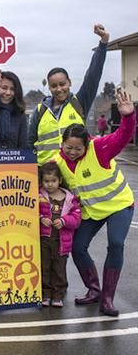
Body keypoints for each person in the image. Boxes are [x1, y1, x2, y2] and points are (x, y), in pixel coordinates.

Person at [54, 89, 135, 317]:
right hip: (92, 211)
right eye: (67, 147)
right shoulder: (58, 160)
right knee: (78, 248)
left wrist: (128, 116)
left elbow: (123, 135)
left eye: (77, 148)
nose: (71, 152)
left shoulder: (99, 148)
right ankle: (94, 289)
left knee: (116, 243)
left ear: (86, 145)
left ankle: (107, 299)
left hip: (118, 205)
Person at [29, 24, 110, 165]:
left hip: (75, 172)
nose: (59, 89)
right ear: (49, 87)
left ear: (69, 82)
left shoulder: (79, 102)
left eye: (62, 84)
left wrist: (103, 43)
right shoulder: (40, 111)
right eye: (54, 86)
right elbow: (29, 142)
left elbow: (93, 75)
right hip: (47, 177)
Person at [38, 162, 81, 307]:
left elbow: (76, 219)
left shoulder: (69, 198)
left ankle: (58, 294)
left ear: (60, 180)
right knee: (44, 267)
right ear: (41, 181)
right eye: (46, 181)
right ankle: (45, 293)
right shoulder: (38, 196)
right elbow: (29, 211)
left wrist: (63, 221)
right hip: (43, 240)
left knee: (59, 268)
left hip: (62, 241)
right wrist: (40, 218)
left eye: (53, 181)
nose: (50, 185)